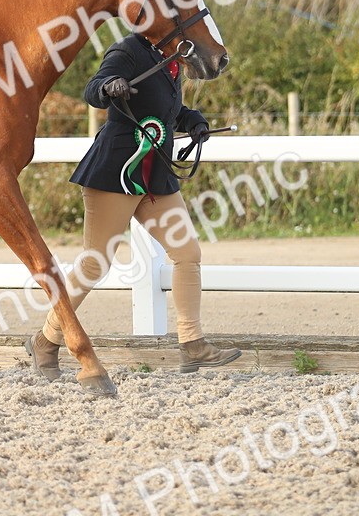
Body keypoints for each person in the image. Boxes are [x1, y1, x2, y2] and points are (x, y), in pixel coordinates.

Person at [26, 31, 242, 378]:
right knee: (95, 265)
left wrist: (192, 121)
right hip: (115, 174)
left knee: (187, 253)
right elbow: (93, 88)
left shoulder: (171, 65)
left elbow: (164, 112)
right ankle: (46, 339)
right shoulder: (129, 50)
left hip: (154, 179)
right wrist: (109, 86)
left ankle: (192, 343)